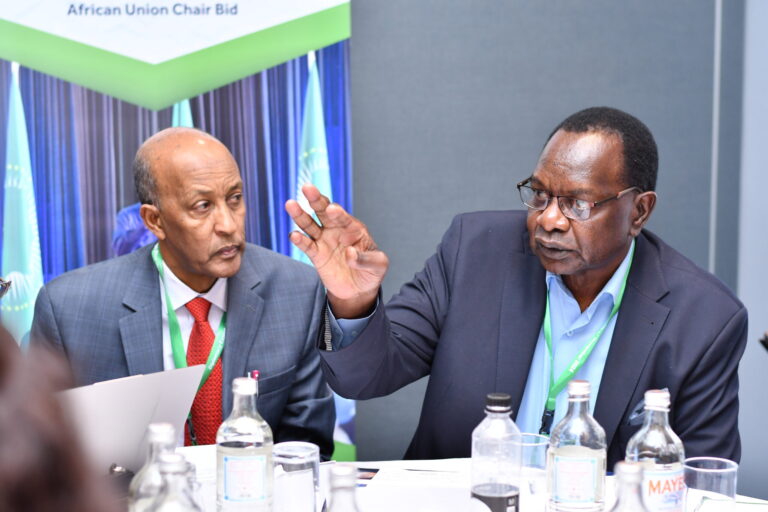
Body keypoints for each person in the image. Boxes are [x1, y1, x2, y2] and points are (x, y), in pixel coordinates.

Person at [286, 107, 747, 467]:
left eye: (578, 204)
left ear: (639, 212)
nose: (549, 220)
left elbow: (700, 483)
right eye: (540, 194)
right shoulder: (475, 251)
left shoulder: (704, 320)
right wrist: (353, 299)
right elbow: (364, 377)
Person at [31, 127, 335, 457]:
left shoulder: (297, 291)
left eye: (235, 198)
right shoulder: (69, 310)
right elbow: (42, 454)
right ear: (154, 221)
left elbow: (307, 448)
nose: (229, 225)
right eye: (202, 206)